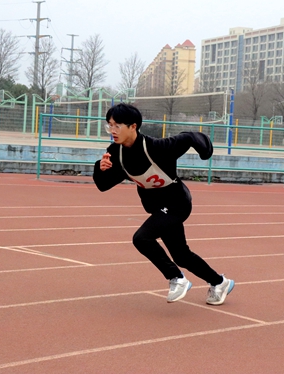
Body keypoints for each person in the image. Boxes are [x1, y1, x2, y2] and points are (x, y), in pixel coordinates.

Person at [93, 103, 234, 305]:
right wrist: (100, 169)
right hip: (158, 209)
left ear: (133, 126)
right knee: (181, 255)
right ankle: (219, 282)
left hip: (177, 204)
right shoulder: (116, 153)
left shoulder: (157, 147)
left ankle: (176, 278)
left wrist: (206, 151)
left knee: (141, 238)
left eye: (117, 125)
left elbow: (189, 137)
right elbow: (103, 185)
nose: (112, 130)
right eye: (109, 125)